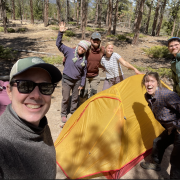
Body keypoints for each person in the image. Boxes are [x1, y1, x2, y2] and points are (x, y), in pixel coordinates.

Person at [0, 56, 62, 179]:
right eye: (25, 85)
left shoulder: (41, 126)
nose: (36, 95)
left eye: (45, 87)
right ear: (9, 91)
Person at [140, 71, 180, 179]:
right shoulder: (147, 96)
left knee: (176, 159)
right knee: (158, 142)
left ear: (157, 82)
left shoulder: (167, 95)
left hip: (178, 128)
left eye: (152, 81)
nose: (149, 84)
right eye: (147, 81)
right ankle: (155, 163)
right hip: (171, 128)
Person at [56, 22, 91, 125]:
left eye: (84, 48)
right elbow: (58, 44)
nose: (81, 49)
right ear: (78, 45)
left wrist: (82, 84)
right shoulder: (69, 51)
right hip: (66, 79)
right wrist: (60, 33)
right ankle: (63, 114)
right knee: (66, 98)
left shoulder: (84, 60)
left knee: (75, 98)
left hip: (77, 81)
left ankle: (73, 111)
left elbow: (84, 73)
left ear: (85, 50)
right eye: (81, 46)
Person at [79, 32, 105, 105]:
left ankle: (90, 108)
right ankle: (82, 108)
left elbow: (110, 56)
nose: (95, 41)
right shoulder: (86, 48)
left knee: (93, 94)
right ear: (91, 40)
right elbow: (74, 50)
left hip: (95, 76)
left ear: (100, 41)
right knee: (83, 93)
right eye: (94, 39)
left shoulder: (102, 50)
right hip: (85, 75)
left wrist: (104, 66)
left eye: (97, 40)